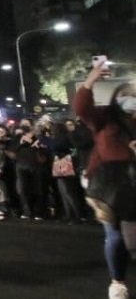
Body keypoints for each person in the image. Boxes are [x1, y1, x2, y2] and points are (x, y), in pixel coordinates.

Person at [75, 62, 136, 299]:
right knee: (115, 234)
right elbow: (81, 108)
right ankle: (118, 283)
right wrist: (91, 80)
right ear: (116, 98)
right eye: (126, 94)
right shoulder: (104, 118)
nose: (131, 97)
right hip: (110, 185)